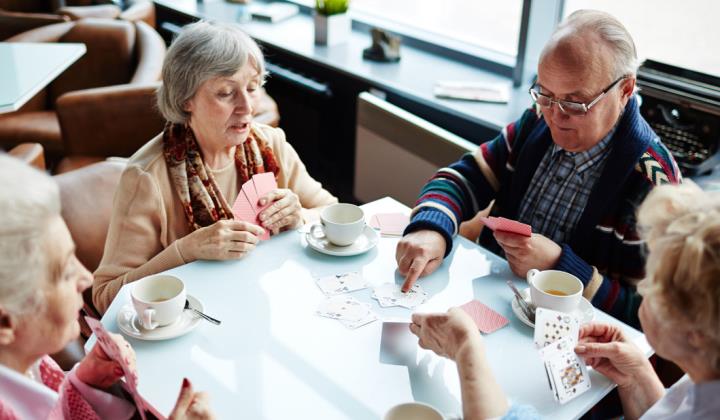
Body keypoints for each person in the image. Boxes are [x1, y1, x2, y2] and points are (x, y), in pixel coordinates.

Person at [395, 10, 681, 328]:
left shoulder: (655, 185)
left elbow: (657, 317)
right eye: (545, 93)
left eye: (575, 103)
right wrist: (430, 228)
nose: (555, 117)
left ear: (625, 90)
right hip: (490, 306)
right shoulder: (537, 120)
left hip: (579, 347)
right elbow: (465, 178)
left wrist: (562, 267)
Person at [410, 182, 720, 419]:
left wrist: (466, 349)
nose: (644, 288)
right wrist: (637, 378)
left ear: (695, 332)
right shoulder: (704, 381)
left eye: (655, 283)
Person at [93, 20, 337, 313]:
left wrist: (300, 217)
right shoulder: (147, 178)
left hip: (264, 301)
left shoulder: (270, 144)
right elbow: (106, 297)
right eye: (225, 92)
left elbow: (332, 213)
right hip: (194, 325)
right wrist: (185, 251)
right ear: (186, 99)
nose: (248, 107)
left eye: (253, 87)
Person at [0, 154, 214, 419]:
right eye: (66, 271)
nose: (86, 277)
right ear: (5, 322)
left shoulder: (24, 357)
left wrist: (83, 382)